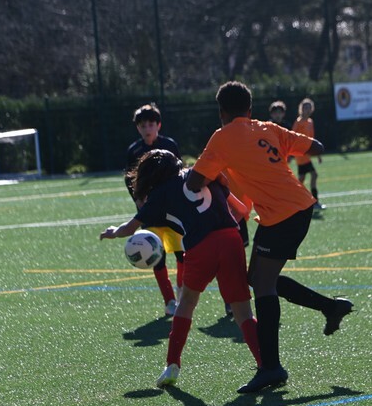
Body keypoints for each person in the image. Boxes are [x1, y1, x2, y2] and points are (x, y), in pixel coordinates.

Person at [187, 81, 354, 393]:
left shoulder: (222, 137)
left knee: (263, 284)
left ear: (221, 112)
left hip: (283, 214)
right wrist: (275, 152)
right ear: (250, 109)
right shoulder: (269, 128)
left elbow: (195, 182)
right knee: (259, 278)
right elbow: (317, 147)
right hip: (293, 207)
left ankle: (272, 368)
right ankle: (330, 308)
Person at [100, 149, 261, 387]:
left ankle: (172, 365)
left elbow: (130, 228)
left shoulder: (162, 192)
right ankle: (265, 364)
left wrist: (113, 232)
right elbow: (242, 211)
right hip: (231, 239)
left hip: (200, 246)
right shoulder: (203, 173)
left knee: (186, 303)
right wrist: (220, 227)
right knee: (243, 312)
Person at [125, 104, 184, 316]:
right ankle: (169, 301)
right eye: (143, 126)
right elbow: (130, 180)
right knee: (157, 256)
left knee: (182, 255)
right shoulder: (134, 151)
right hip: (151, 213)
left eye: (151, 124)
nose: (147, 129)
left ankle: (182, 293)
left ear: (158, 125)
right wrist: (139, 200)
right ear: (138, 128)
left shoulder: (169, 145)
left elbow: (180, 173)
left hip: (173, 210)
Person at [291, 98, 325, 209]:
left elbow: (312, 139)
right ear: (301, 109)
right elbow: (292, 137)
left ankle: (296, 199)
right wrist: (293, 152)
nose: (307, 109)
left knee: (302, 178)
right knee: (313, 175)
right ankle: (313, 202)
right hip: (301, 155)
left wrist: (318, 155)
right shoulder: (298, 122)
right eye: (305, 107)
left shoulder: (310, 122)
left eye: (309, 107)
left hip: (307, 154)